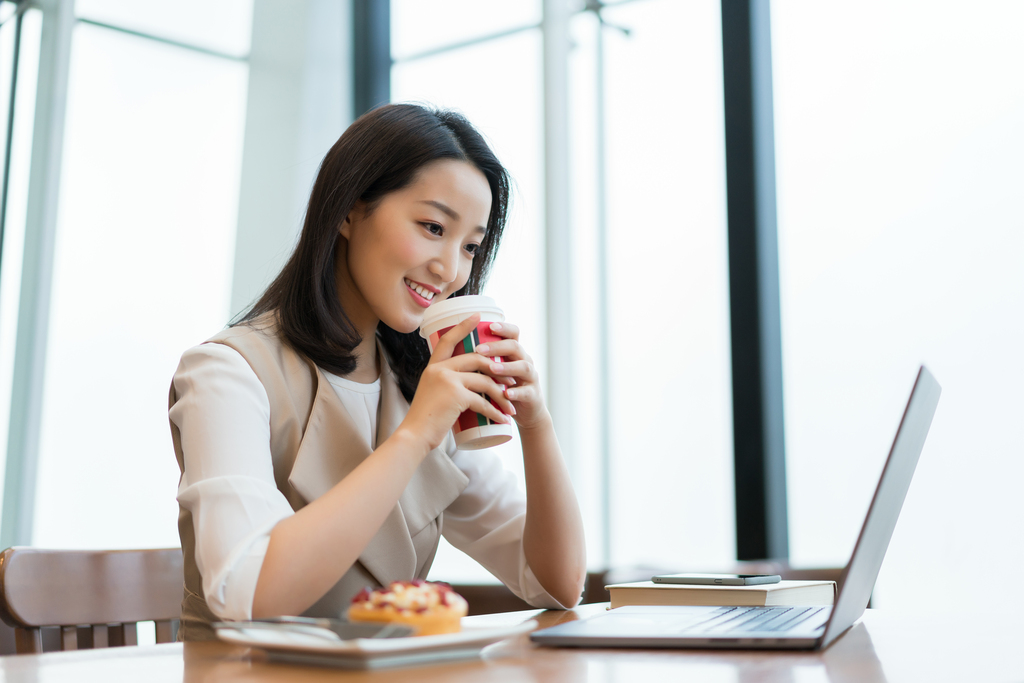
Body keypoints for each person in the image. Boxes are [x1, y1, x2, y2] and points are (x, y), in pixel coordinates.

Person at [168, 103, 587, 640]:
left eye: (471, 246)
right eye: (432, 226)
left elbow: (557, 584)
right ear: (348, 209)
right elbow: (251, 594)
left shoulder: (423, 387)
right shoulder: (226, 374)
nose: (451, 270)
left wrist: (537, 425)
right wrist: (416, 434)